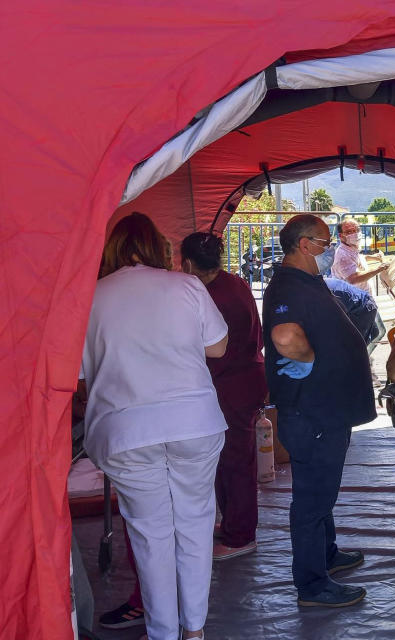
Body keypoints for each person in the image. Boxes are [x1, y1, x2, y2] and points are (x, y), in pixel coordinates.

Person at [82, 212, 227, 640]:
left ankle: (163, 632)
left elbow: (73, 372)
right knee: (196, 525)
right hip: (193, 422)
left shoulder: (90, 296)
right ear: (159, 246)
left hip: (124, 429)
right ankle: (195, 630)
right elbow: (217, 347)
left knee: (150, 535)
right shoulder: (186, 286)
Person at [262, 214, 377, 607]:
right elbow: (285, 335)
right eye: (324, 243)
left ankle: (326, 554)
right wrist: (309, 358)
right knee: (311, 499)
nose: (329, 250)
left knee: (322, 492)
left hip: (327, 408)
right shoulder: (287, 285)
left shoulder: (306, 282)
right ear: (304, 244)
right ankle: (312, 583)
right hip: (311, 410)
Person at [181, 232, 268, 559]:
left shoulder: (209, 295)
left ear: (187, 263)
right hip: (245, 378)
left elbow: (208, 349)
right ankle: (232, 522)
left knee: (235, 462)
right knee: (227, 459)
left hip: (231, 385)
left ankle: (240, 535)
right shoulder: (235, 283)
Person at [332, 218, 389, 369]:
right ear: (341, 236)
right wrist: (379, 268)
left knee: (372, 333)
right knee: (375, 332)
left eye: (356, 230)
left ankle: (358, 362)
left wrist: (373, 258)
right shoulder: (342, 255)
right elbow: (353, 277)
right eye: (349, 231)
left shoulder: (351, 249)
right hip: (355, 305)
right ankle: (358, 364)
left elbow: (359, 258)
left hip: (363, 301)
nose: (354, 234)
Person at [324, 276, 379, 351]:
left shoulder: (322, 292)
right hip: (359, 304)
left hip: (362, 308)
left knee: (353, 349)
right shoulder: (315, 287)